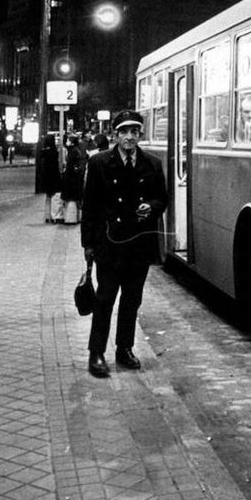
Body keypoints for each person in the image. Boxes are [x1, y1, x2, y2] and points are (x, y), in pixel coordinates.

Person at [81, 110, 167, 378]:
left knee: (132, 300)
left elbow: (162, 199)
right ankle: (96, 353)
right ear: (115, 135)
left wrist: (150, 208)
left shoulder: (152, 164)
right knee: (105, 298)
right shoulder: (99, 163)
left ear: (140, 135)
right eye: (124, 132)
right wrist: (88, 244)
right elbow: (90, 206)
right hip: (110, 243)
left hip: (139, 244)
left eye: (134, 132)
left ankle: (124, 348)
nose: (129, 137)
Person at [35, 135, 63, 224]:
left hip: (45, 177)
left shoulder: (43, 152)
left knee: (48, 196)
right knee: (55, 196)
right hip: (54, 176)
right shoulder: (54, 152)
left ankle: (47, 216)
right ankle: (56, 216)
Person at [60, 133, 86, 225]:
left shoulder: (72, 151)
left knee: (70, 198)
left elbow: (70, 165)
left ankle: (70, 219)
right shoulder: (77, 150)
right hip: (75, 178)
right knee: (75, 198)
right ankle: (75, 218)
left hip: (70, 178)